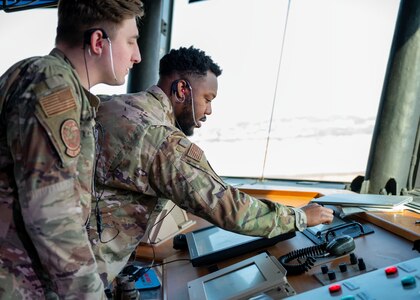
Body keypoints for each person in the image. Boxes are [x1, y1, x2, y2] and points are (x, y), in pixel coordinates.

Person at [91, 46, 334, 287]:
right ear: (182, 89)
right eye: (207, 98)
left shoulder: (106, 105)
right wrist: (300, 217)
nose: (209, 110)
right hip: (84, 276)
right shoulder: (163, 141)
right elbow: (229, 208)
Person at [0, 0, 144, 299]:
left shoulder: (41, 75)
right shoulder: (54, 84)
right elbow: (51, 212)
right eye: (130, 41)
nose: (137, 56)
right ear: (97, 42)